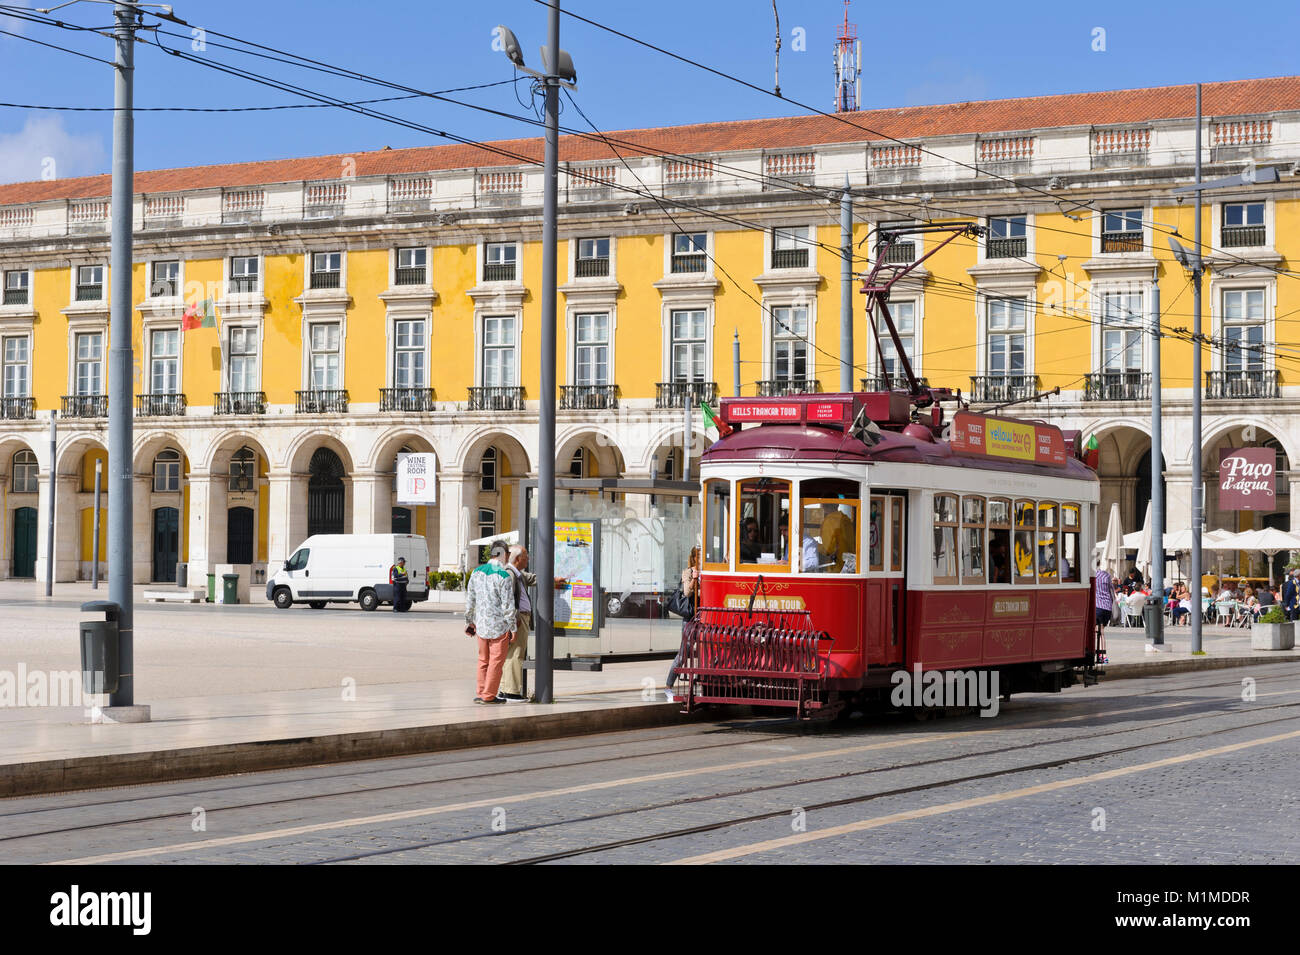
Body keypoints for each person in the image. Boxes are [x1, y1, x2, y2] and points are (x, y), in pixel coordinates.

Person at [501, 545, 566, 702]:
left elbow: (534, 578)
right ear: (518, 559)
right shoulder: (510, 574)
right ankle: (511, 692)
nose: (528, 559)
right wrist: (514, 621)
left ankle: (506, 689)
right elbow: (507, 599)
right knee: (516, 654)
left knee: (513, 654)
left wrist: (554, 580)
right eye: (526, 556)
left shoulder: (518, 574)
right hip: (517, 619)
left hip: (520, 618)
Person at [463, 539, 516, 704]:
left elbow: (470, 599)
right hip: (499, 626)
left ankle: (480, 692)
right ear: (504, 555)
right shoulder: (504, 576)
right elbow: (508, 605)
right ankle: (489, 695)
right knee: (496, 662)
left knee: (483, 660)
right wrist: (513, 627)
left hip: (481, 625)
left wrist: (469, 621)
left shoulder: (476, 572)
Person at [665, 546, 700, 702]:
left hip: (704, 617)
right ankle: (668, 686)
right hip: (690, 618)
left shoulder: (708, 571)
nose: (701, 559)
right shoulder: (688, 572)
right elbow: (687, 593)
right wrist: (694, 578)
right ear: (693, 557)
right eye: (698, 556)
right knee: (684, 652)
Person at [1095, 560, 1115, 631]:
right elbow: (1112, 590)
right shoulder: (1106, 575)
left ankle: (1100, 642)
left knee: (1097, 632)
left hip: (1098, 607)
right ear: (1099, 563)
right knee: (1101, 632)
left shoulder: (1092, 576)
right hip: (1107, 608)